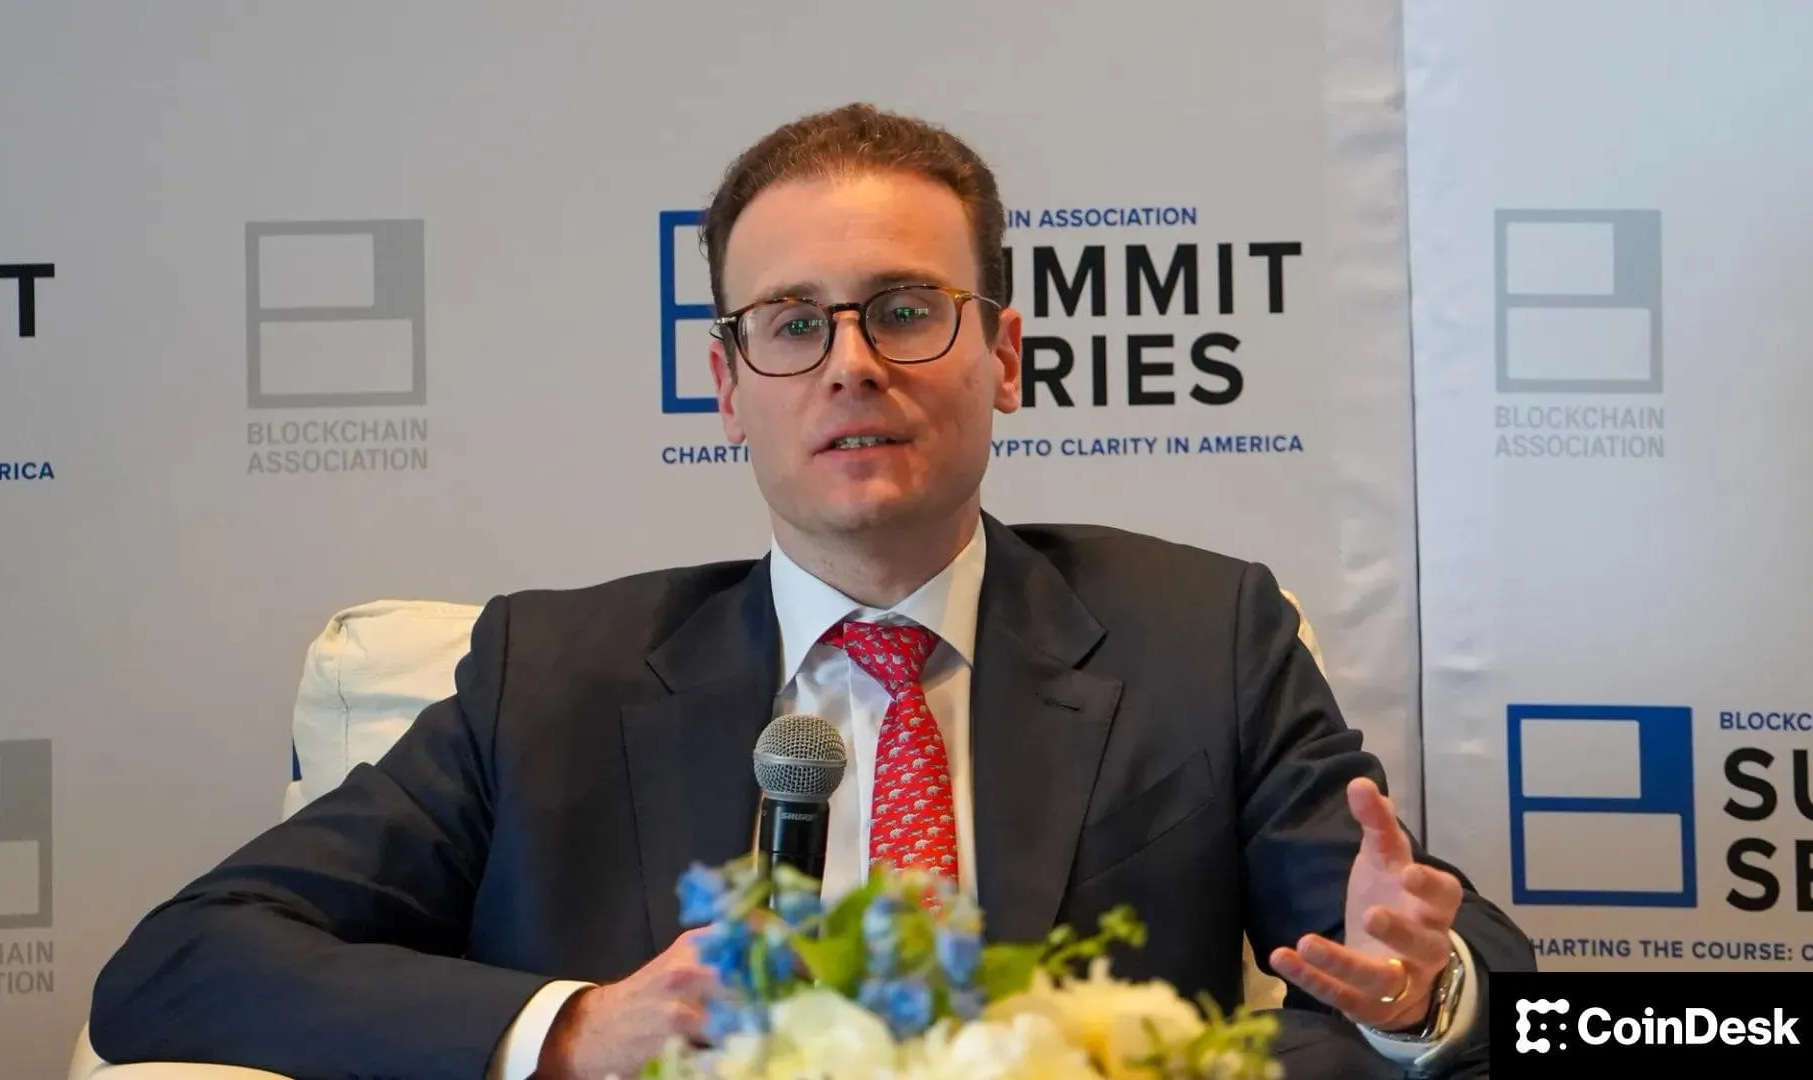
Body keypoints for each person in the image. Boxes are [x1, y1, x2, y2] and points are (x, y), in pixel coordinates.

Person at [89, 103, 1533, 1080]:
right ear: (727, 384)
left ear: (1004, 357)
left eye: (904, 310)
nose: (852, 364)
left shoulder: (1196, 637)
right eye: (791, 323)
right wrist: (577, 1031)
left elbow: (1471, 975)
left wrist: (1422, 996)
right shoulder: (551, 675)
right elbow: (175, 965)